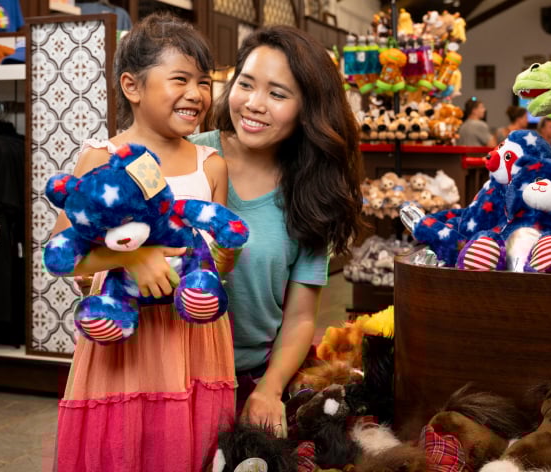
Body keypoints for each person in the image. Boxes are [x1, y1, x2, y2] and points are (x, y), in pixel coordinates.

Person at [53, 13, 235, 472]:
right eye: (180, 79)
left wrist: (224, 257)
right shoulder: (101, 159)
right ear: (132, 86)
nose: (196, 94)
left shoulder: (210, 165)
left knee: (190, 446)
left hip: (195, 339)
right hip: (125, 342)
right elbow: (62, 255)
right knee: (124, 444)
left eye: (204, 82)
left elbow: (222, 261)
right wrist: (133, 258)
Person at [189, 26, 365, 432]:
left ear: (309, 109)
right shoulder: (189, 155)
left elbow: (301, 316)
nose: (254, 104)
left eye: (277, 94)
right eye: (245, 85)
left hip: (251, 379)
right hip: (172, 374)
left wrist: (269, 389)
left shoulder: (311, 193)